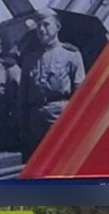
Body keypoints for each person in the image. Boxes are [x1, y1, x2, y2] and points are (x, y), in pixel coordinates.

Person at [19, 10, 85, 156]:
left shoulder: (71, 54)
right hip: (35, 120)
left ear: (57, 27)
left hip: (60, 118)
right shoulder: (29, 59)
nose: (42, 30)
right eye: (38, 26)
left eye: (46, 25)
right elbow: (22, 96)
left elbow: (80, 93)